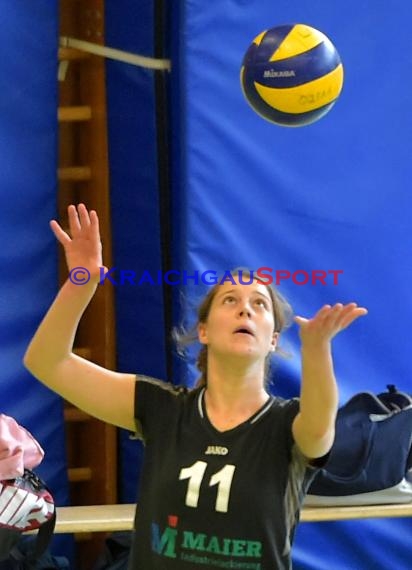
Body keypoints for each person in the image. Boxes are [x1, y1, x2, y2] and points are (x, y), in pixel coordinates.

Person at [24, 204, 367, 569]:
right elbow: (47, 362)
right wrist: (83, 280)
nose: (245, 310)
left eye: (259, 304)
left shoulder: (286, 425)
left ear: (273, 339)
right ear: (203, 331)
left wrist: (315, 350)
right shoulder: (162, 409)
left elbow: (319, 425)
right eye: (230, 300)